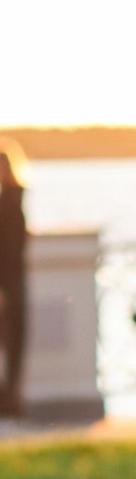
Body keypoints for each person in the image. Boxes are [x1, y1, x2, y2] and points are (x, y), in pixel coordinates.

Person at [0, 141, 26, 420]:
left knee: (12, 343)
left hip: (10, 285)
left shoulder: (11, 201)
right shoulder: (12, 199)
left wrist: (4, 288)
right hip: (13, 283)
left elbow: (8, 250)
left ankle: (10, 401)